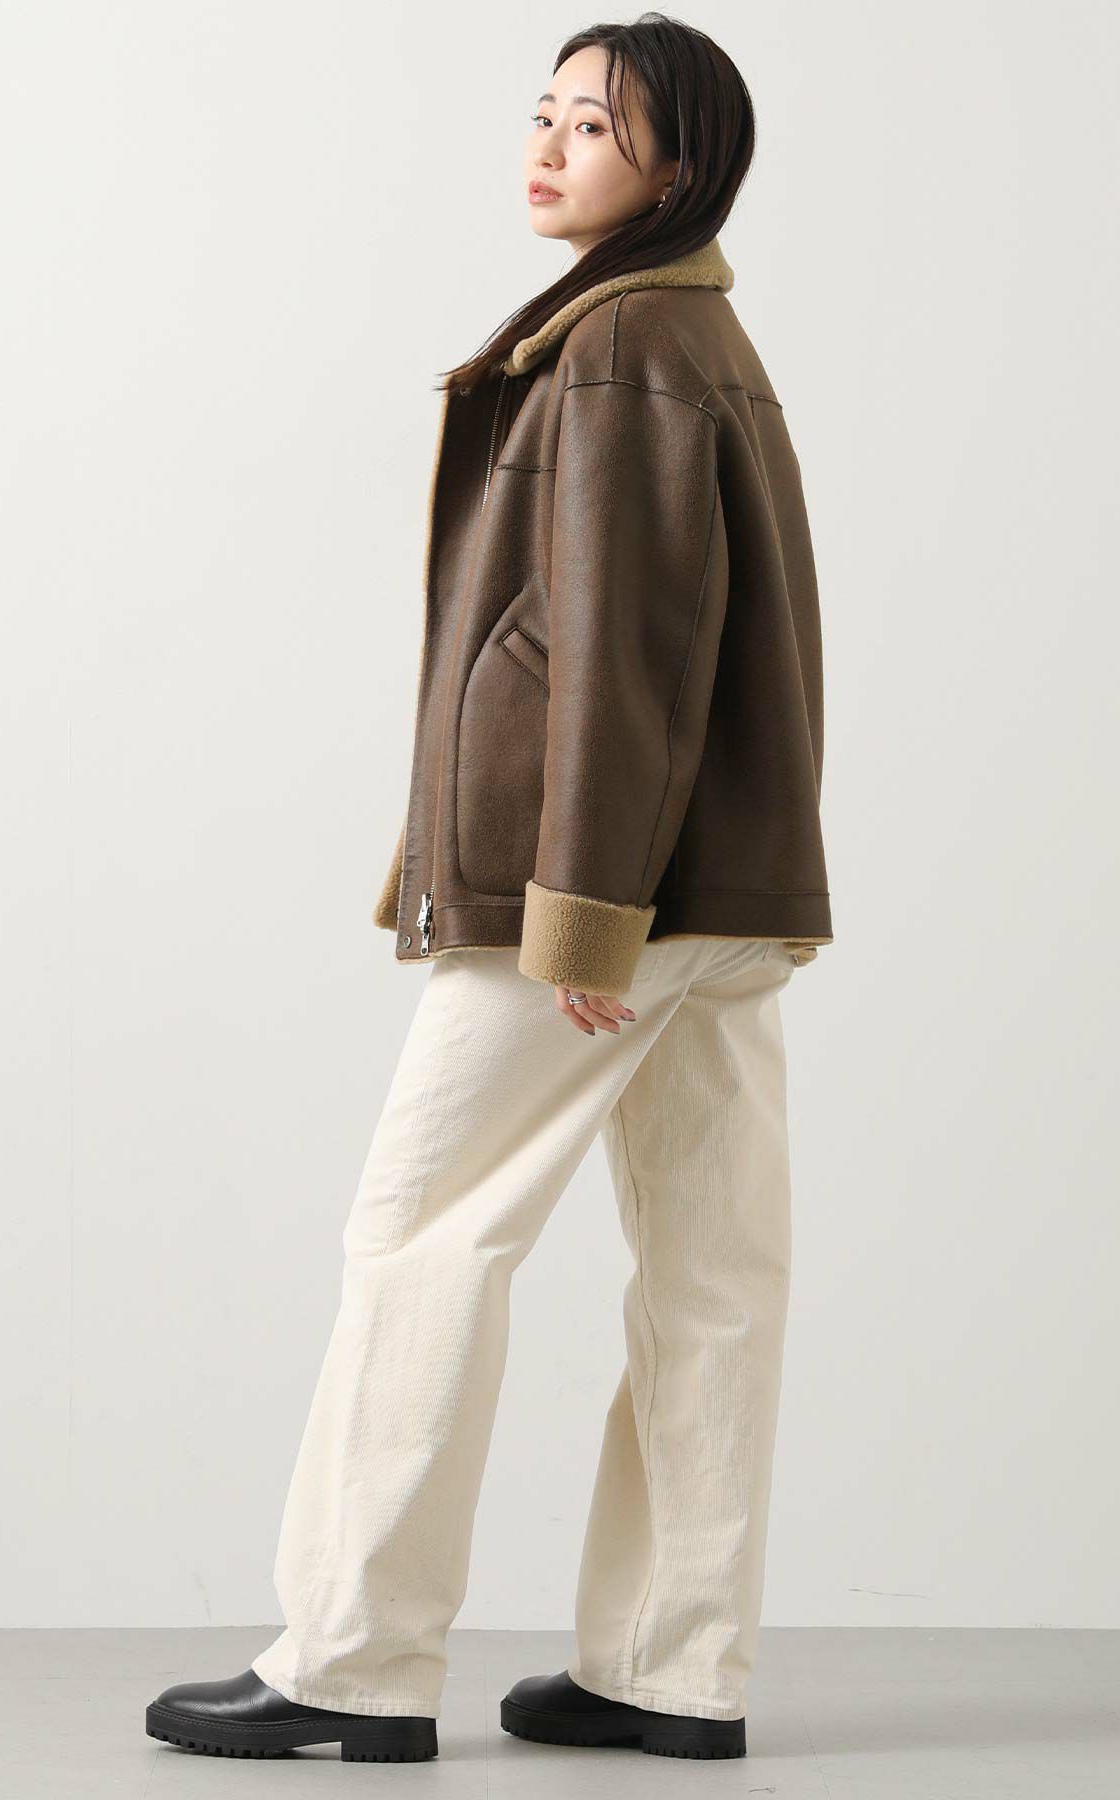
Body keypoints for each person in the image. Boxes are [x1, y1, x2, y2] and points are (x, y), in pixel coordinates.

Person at [146, 11, 832, 1766]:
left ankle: (351, 1664)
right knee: (713, 1272)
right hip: (728, 889)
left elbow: (626, 652)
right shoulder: (700, 335)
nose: (545, 146)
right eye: (542, 113)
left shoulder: (620, 347)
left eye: (591, 125)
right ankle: (674, 1670)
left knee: (422, 1234)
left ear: (676, 166)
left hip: (602, 898)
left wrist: (585, 906)